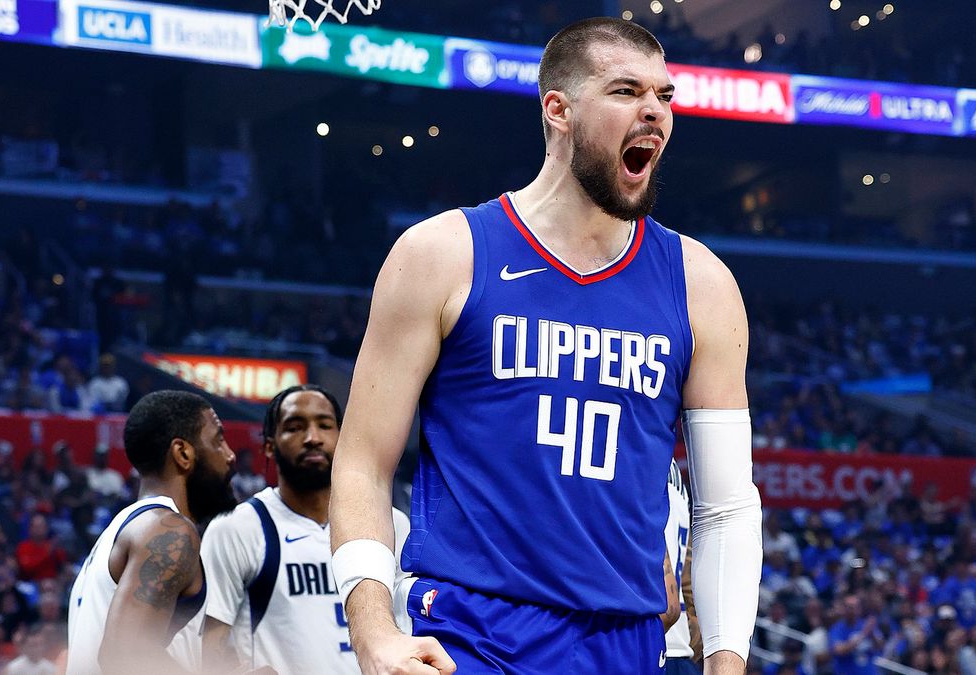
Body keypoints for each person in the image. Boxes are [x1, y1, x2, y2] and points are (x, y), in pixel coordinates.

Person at [328, 17, 762, 675]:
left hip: (627, 642)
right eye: (625, 91)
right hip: (472, 636)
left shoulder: (702, 285)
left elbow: (726, 505)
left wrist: (727, 663)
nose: (654, 111)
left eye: (665, 96)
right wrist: (373, 632)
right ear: (558, 109)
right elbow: (362, 462)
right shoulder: (443, 255)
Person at [202, 384, 411, 673]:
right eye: (295, 427)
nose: (313, 438)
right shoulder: (237, 528)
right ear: (269, 445)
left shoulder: (393, 523)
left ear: (343, 438)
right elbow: (210, 645)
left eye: (325, 426)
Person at [65, 390, 238, 675]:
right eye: (218, 439)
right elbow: (126, 653)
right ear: (183, 453)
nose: (230, 455)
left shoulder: (119, 532)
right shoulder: (168, 531)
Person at [665, 459, 699, 675]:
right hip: (680, 650)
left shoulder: (635, 450)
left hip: (644, 645)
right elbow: (688, 572)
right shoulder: (675, 472)